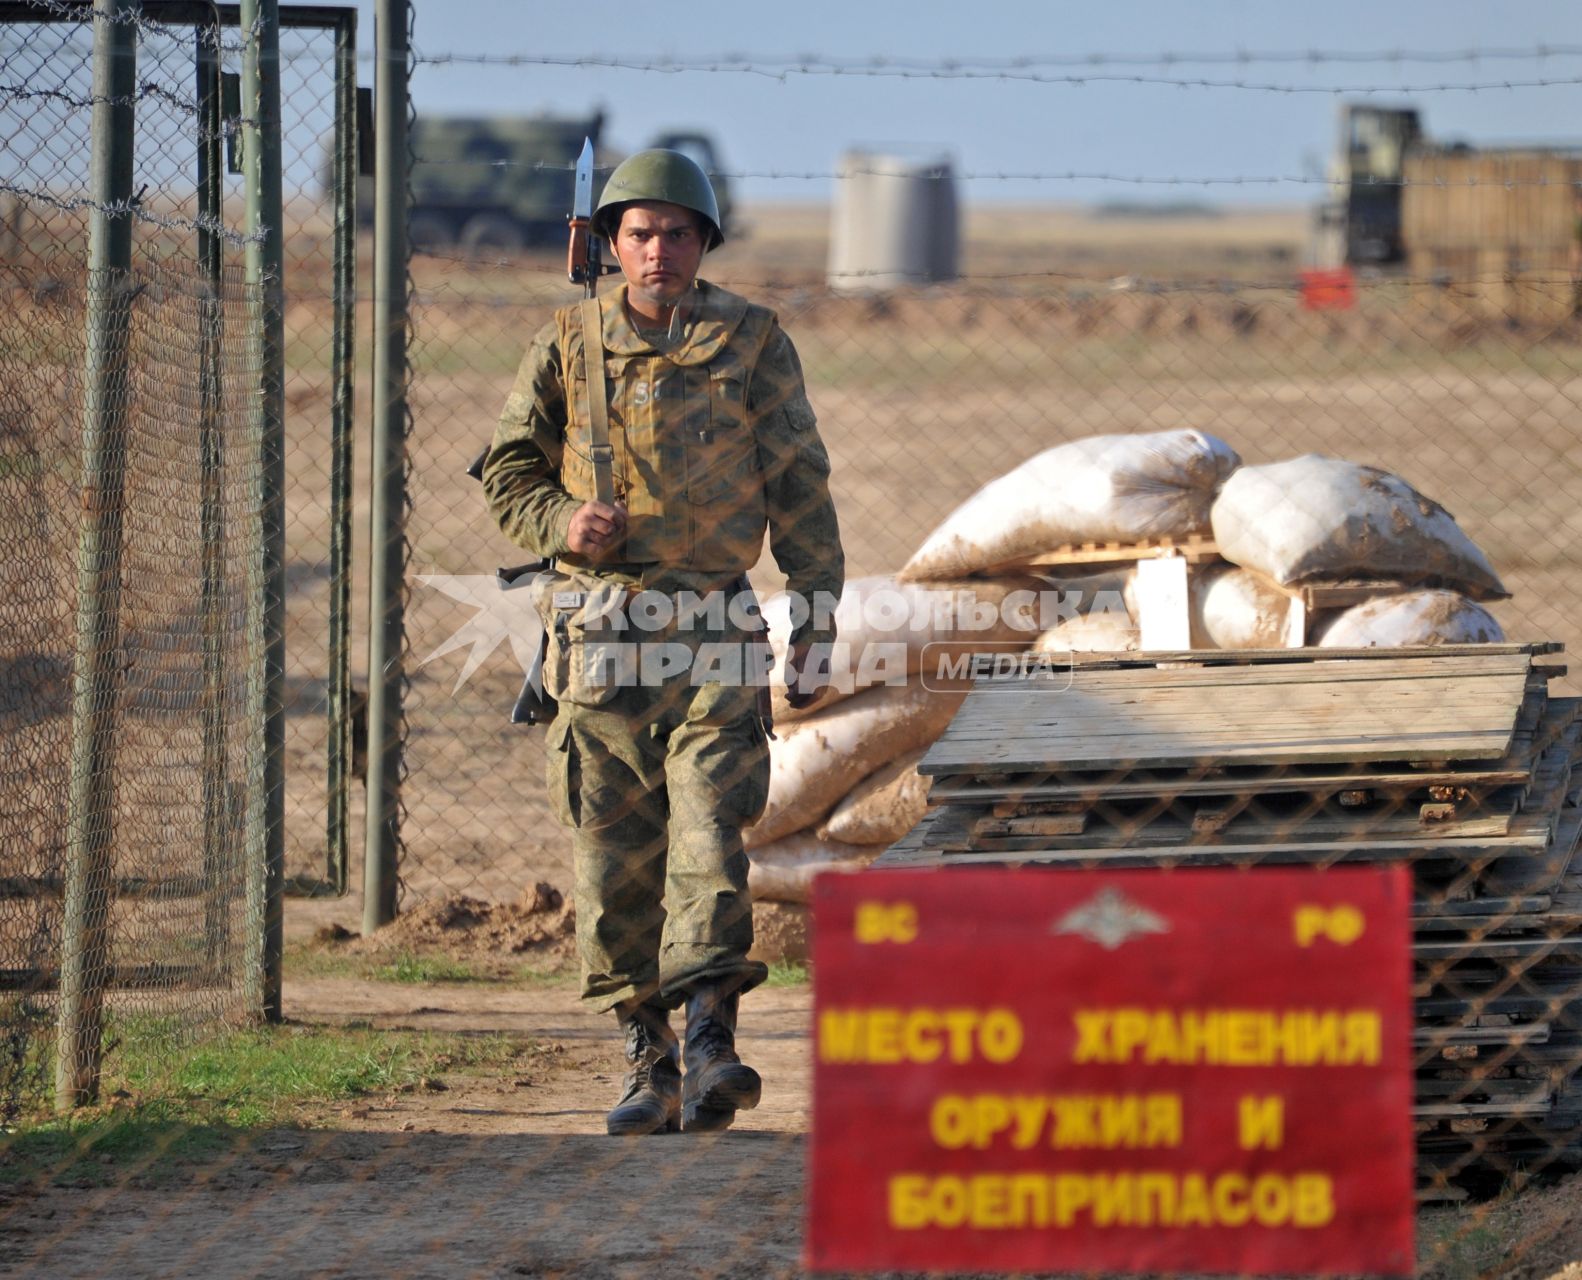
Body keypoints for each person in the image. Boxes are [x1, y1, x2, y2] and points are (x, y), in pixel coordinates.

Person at [480, 149, 844, 1135]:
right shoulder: (566, 345)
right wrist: (561, 521)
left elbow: (800, 482)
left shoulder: (754, 342)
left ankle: (712, 1039)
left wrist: (815, 612)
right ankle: (648, 1058)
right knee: (611, 855)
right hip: (601, 633)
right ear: (608, 244)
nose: (658, 251)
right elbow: (508, 468)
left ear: (703, 242)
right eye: (638, 232)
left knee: (710, 835)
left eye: (678, 232)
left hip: (716, 627)